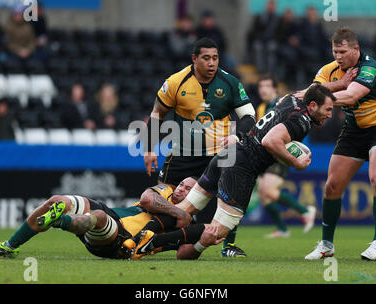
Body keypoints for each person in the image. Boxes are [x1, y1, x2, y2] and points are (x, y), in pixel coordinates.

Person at [133, 84, 335, 260]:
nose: (330, 115)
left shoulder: (291, 99)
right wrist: (295, 163)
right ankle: (153, 243)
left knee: (184, 209)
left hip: (229, 154)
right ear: (312, 106)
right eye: (327, 109)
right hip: (242, 168)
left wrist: (340, 84)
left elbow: (304, 93)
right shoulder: (302, 121)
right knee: (216, 231)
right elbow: (270, 141)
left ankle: (138, 236)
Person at [143, 37, 257, 257]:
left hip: (218, 154)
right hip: (182, 154)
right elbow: (157, 113)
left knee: (233, 195)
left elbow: (249, 116)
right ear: (194, 58)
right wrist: (149, 148)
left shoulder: (230, 83)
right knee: (164, 200)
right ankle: (151, 239)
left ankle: (228, 246)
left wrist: (236, 135)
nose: (212, 63)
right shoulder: (176, 82)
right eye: (206, 58)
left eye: (215, 58)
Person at [302, 27, 376, 261]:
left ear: (355, 49)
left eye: (343, 51)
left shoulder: (369, 68)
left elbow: (350, 96)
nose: (338, 56)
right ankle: (326, 245)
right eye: (335, 51)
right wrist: (314, 94)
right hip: (353, 130)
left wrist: (317, 98)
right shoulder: (329, 70)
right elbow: (313, 91)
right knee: (332, 186)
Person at [0, 177, 221, 260]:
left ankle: (59, 222)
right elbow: (147, 199)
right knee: (56, 201)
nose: (180, 189)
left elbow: (183, 253)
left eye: (188, 188)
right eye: (181, 184)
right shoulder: (166, 192)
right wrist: (179, 211)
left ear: (198, 194)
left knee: (98, 218)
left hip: (123, 242)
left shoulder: (191, 224)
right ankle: (9, 246)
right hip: (113, 215)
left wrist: (202, 243)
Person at [255, 74, 316, 238]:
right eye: (261, 87)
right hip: (265, 153)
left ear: (275, 89)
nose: (263, 90)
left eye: (267, 86)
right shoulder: (261, 108)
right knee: (263, 193)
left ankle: (305, 211)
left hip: (279, 152)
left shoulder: (280, 103)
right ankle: (282, 229)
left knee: (269, 190)